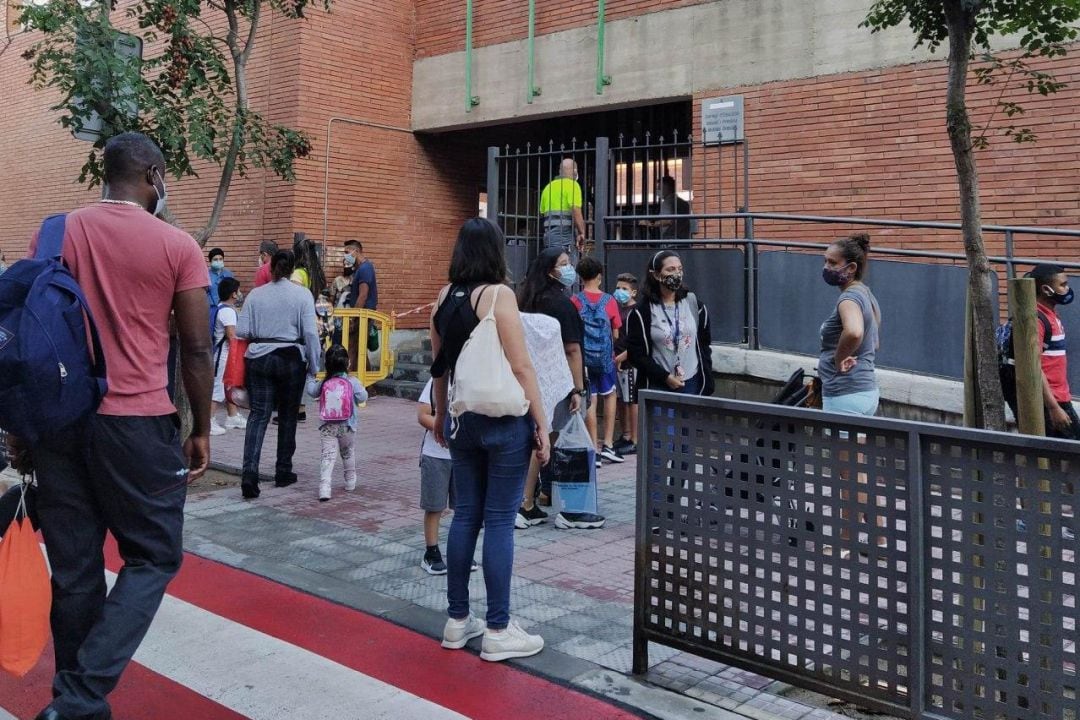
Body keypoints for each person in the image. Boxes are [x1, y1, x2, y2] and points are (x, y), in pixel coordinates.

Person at [25, 131, 212, 720]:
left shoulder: (54, 232)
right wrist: (200, 425)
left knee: (77, 570)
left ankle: (72, 701)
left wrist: (21, 427)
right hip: (137, 423)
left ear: (104, 176)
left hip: (59, 425)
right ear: (155, 176)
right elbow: (197, 347)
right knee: (154, 557)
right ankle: (80, 697)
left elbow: (29, 333)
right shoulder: (177, 245)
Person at [429, 218, 550, 662]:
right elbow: (522, 367)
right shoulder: (500, 295)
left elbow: (438, 367)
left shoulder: (442, 298)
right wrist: (539, 421)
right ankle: (498, 627)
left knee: (464, 519)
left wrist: (442, 416)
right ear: (496, 252)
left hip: (463, 421)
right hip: (503, 423)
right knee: (499, 521)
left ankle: (457, 621)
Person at [515, 247, 604, 530]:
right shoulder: (562, 305)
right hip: (559, 383)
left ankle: (536, 498)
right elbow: (573, 350)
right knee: (559, 441)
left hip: (531, 380)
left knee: (539, 439)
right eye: (563, 264)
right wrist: (577, 389)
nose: (569, 269)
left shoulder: (527, 300)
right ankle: (567, 508)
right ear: (550, 270)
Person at [237, 249, 321, 499]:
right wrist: (314, 366)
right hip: (291, 358)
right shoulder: (302, 295)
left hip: (259, 357)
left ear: (271, 267)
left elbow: (243, 330)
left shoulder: (255, 295)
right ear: (292, 268)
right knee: (287, 417)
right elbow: (310, 334)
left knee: (258, 416)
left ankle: (249, 475)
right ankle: (283, 470)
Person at [625, 250, 715, 396]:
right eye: (670, 269)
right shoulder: (642, 312)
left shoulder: (694, 304)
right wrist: (664, 377)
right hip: (658, 385)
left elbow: (704, 344)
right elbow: (636, 354)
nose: (677, 274)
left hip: (692, 382)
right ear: (656, 274)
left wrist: (707, 380)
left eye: (679, 269)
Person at [818, 233, 882, 416]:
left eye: (832, 263)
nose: (826, 267)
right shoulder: (867, 295)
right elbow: (874, 343)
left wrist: (839, 359)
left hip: (844, 393)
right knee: (856, 445)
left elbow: (854, 332)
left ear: (851, 267)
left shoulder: (849, 298)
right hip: (866, 391)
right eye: (825, 261)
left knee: (842, 446)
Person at [570, 257, 624, 465]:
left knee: (590, 399)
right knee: (609, 395)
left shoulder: (575, 300)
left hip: (583, 360)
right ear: (599, 276)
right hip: (605, 359)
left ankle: (594, 448)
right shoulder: (609, 301)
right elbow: (616, 333)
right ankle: (608, 444)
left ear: (580, 277)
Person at [1018, 264, 1080, 439]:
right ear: (1046, 289)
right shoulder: (1037, 320)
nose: (1067, 289)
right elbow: (1034, 367)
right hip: (1051, 401)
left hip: (1060, 397)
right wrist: (1053, 407)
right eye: (1063, 285)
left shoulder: (1051, 315)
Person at [305, 344, 367, 501]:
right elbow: (363, 397)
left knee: (327, 456)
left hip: (327, 426)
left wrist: (310, 377)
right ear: (348, 363)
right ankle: (350, 481)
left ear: (327, 365)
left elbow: (312, 392)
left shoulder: (325, 382)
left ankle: (324, 487)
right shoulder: (352, 382)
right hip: (348, 426)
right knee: (347, 453)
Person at [210, 277, 246, 435]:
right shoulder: (228, 312)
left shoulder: (220, 308)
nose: (239, 293)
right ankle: (209, 421)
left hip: (220, 355)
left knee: (228, 386)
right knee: (218, 389)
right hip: (223, 356)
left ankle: (232, 416)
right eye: (238, 291)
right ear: (233, 294)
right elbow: (232, 336)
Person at [539, 158, 586, 269]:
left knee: (552, 269)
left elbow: (542, 212)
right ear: (575, 171)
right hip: (564, 235)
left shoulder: (548, 187)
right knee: (567, 270)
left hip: (548, 236)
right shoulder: (573, 185)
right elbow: (576, 210)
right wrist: (582, 232)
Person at [613, 272, 639, 455]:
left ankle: (635, 439)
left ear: (634, 292)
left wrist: (623, 357)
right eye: (618, 288)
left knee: (632, 401)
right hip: (617, 360)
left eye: (625, 289)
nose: (620, 292)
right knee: (621, 400)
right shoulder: (617, 309)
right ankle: (625, 434)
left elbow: (637, 341)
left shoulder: (636, 312)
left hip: (630, 361)